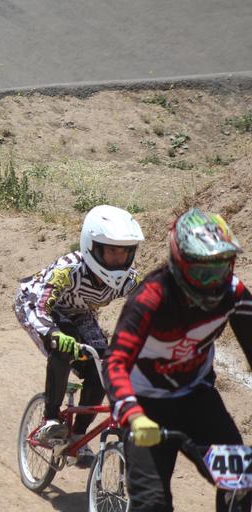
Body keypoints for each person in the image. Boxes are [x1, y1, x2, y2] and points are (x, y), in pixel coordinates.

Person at [105, 208, 252, 512]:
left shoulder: (235, 293)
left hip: (196, 397)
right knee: (152, 504)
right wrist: (133, 415)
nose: (214, 282)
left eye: (222, 268)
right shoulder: (151, 297)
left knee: (240, 482)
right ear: (179, 265)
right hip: (144, 406)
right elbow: (114, 362)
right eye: (202, 272)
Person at [15, 204, 144, 467]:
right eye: (111, 251)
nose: (118, 259)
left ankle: (77, 437)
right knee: (63, 348)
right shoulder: (68, 269)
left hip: (80, 312)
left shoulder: (130, 280)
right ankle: (50, 420)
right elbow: (39, 306)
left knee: (102, 368)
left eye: (124, 252)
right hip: (36, 305)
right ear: (92, 247)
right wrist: (53, 333)